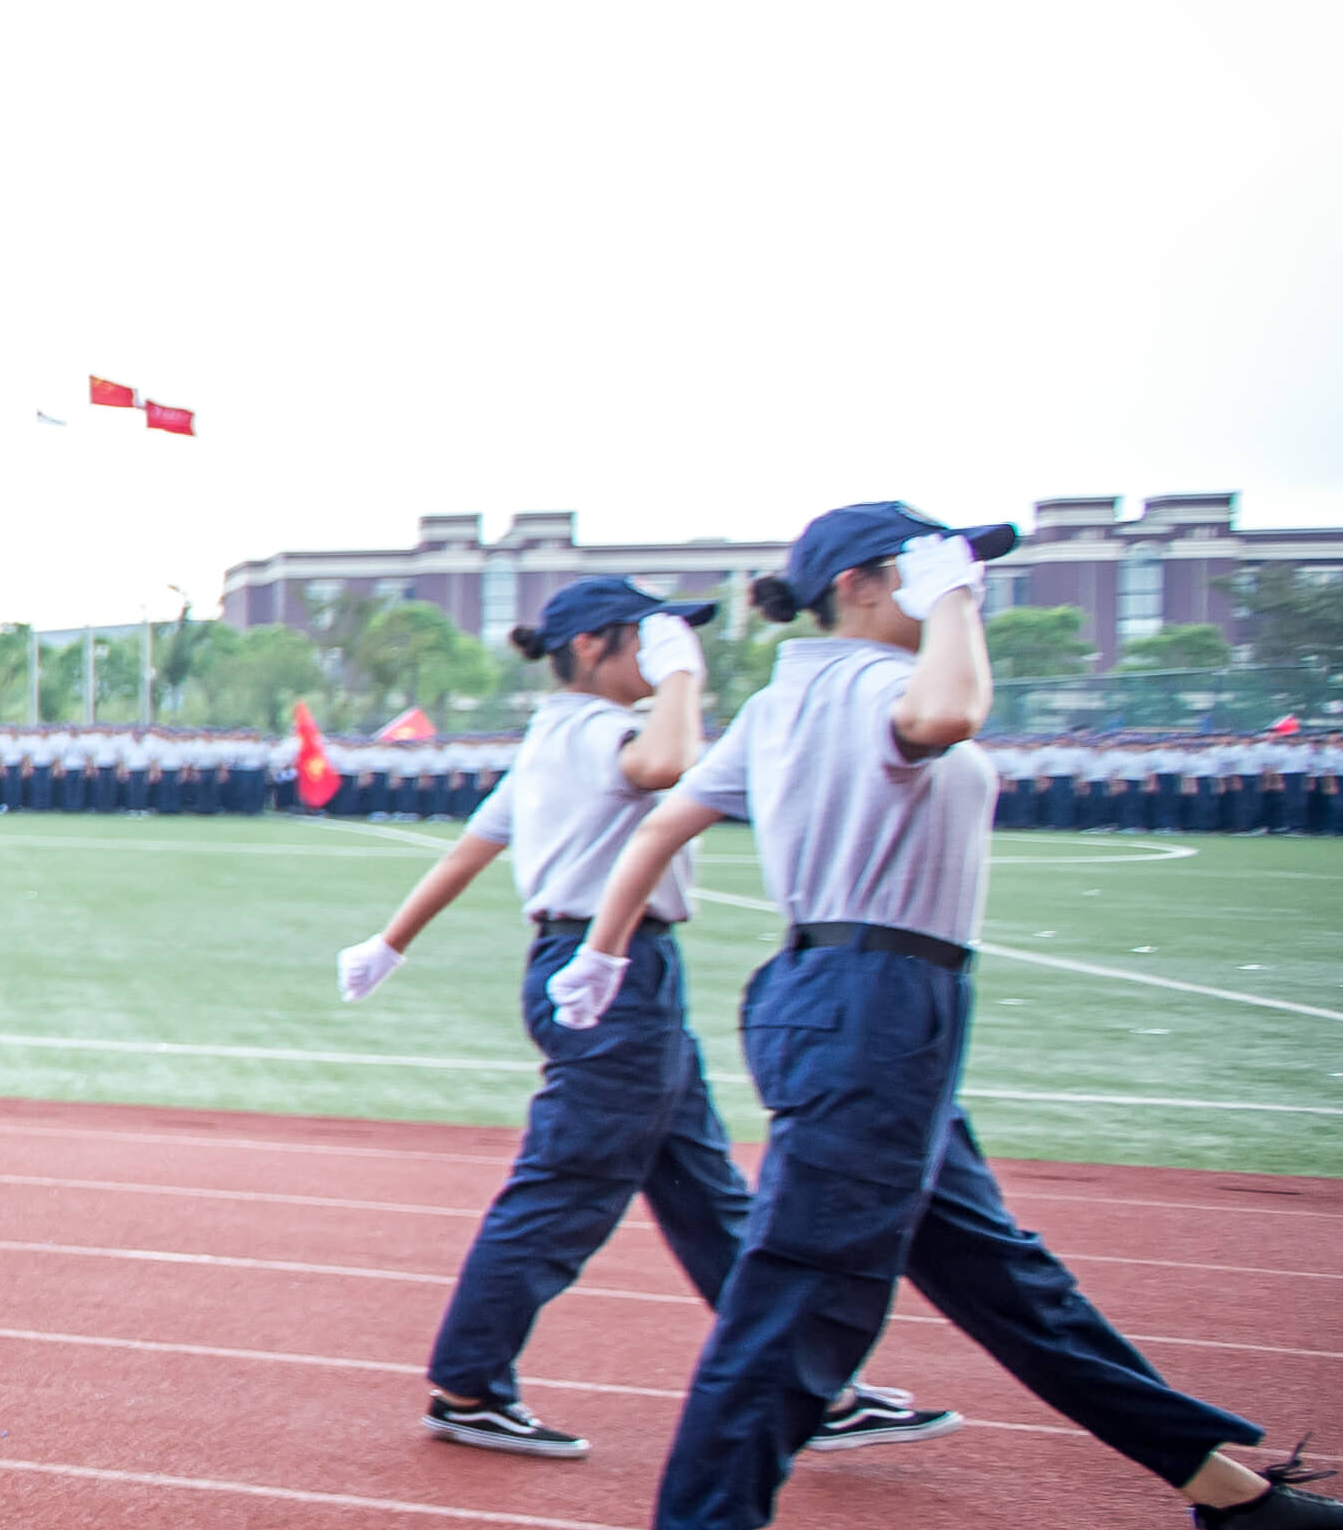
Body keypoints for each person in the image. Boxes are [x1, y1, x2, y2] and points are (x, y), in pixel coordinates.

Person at [566, 505, 1339, 1530]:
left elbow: (662, 828)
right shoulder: (878, 686)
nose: (958, 584)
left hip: (858, 1000)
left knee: (1004, 1277)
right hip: (875, 1001)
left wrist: (601, 949)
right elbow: (950, 713)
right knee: (806, 1290)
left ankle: (1231, 1493)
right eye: (929, 567)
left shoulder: (783, 702)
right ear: (865, 584)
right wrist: (957, 603)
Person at [344, 575, 942, 1462]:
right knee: (566, 1186)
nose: (664, 654)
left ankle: (803, 1381)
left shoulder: (552, 737)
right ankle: (468, 1384)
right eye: (649, 638)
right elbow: (667, 766)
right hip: (608, 972)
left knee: (708, 1193)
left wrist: (391, 942)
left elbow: (469, 853)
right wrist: (683, 679)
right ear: (593, 646)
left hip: (613, 966)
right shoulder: (594, 732)